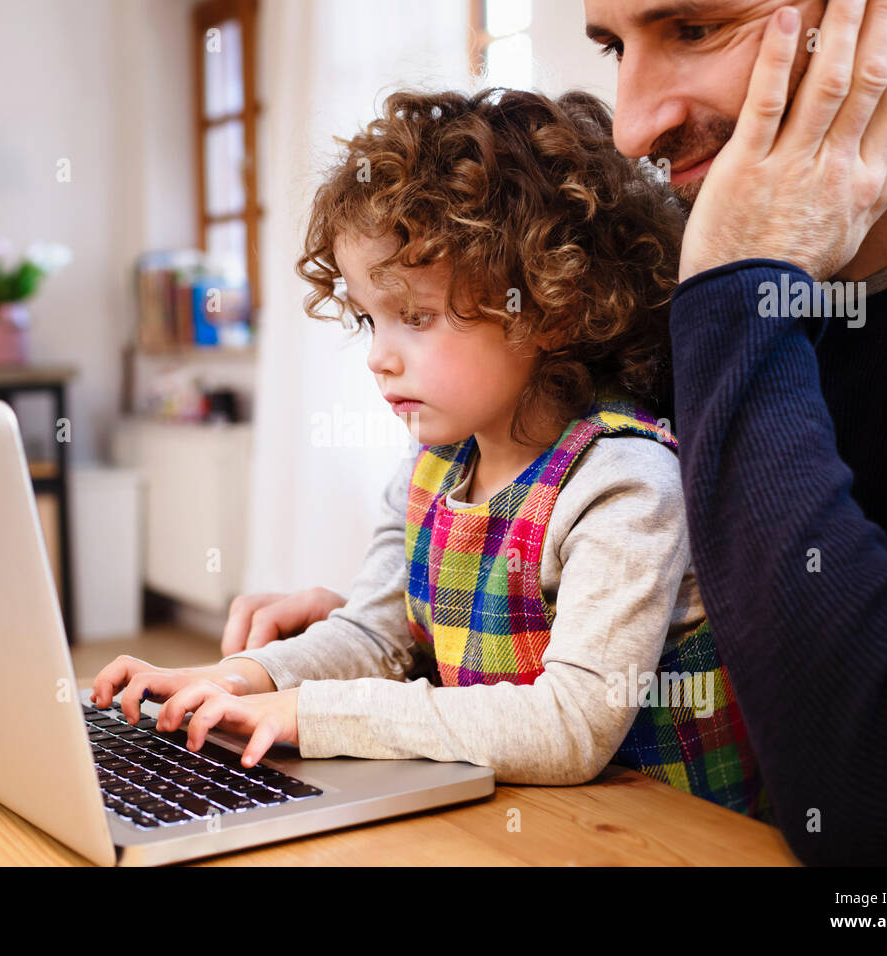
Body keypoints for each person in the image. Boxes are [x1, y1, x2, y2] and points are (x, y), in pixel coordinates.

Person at [226, 0, 887, 865]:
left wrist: (744, 291)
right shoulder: (656, 295)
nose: (634, 128)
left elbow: (879, 795)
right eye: (613, 43)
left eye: (695, 28)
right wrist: (401, 638)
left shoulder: (718, 294)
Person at [92, 87, 769, 815]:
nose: (379, 358)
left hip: (654, 837)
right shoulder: (432, 468)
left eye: (415, 316)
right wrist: (241, 678)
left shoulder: (624, 483)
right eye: (369, 319)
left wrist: (310, 715)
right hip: (518, 820)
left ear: (550, 305)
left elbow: (572, 726)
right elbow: (373, 634)